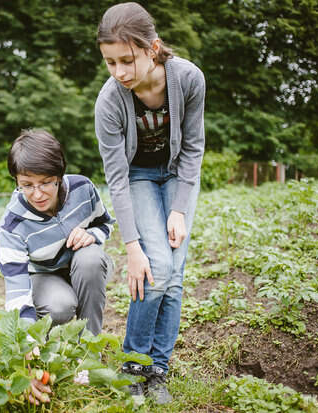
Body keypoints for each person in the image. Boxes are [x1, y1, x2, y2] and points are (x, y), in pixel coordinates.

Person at [94, 2, 205, 405]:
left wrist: (179, 208)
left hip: (177, 176)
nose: (119, 72)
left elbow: (193, 147)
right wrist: (132, 246)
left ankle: (157, 369)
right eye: (110, 62)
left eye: (128, 60)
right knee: (155, 266)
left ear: (153, 48)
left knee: (173, 274)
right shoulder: (109, 102)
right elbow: (117, 178)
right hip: (137, 178)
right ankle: (132, 365)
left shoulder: (189, 79)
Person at [0, 129, 115, 405]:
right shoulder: (13, 223)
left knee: (90, 259)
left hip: (84, 265)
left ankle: (88, 354)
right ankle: (47, 352)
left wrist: (93, 235)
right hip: (44, 276)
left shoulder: (83, 190)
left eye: (46, 183)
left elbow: (105, 223)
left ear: (59, 176)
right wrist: (25, 350)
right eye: (26, 184)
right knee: (61, 306)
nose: (37, 194)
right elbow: (16, 290)